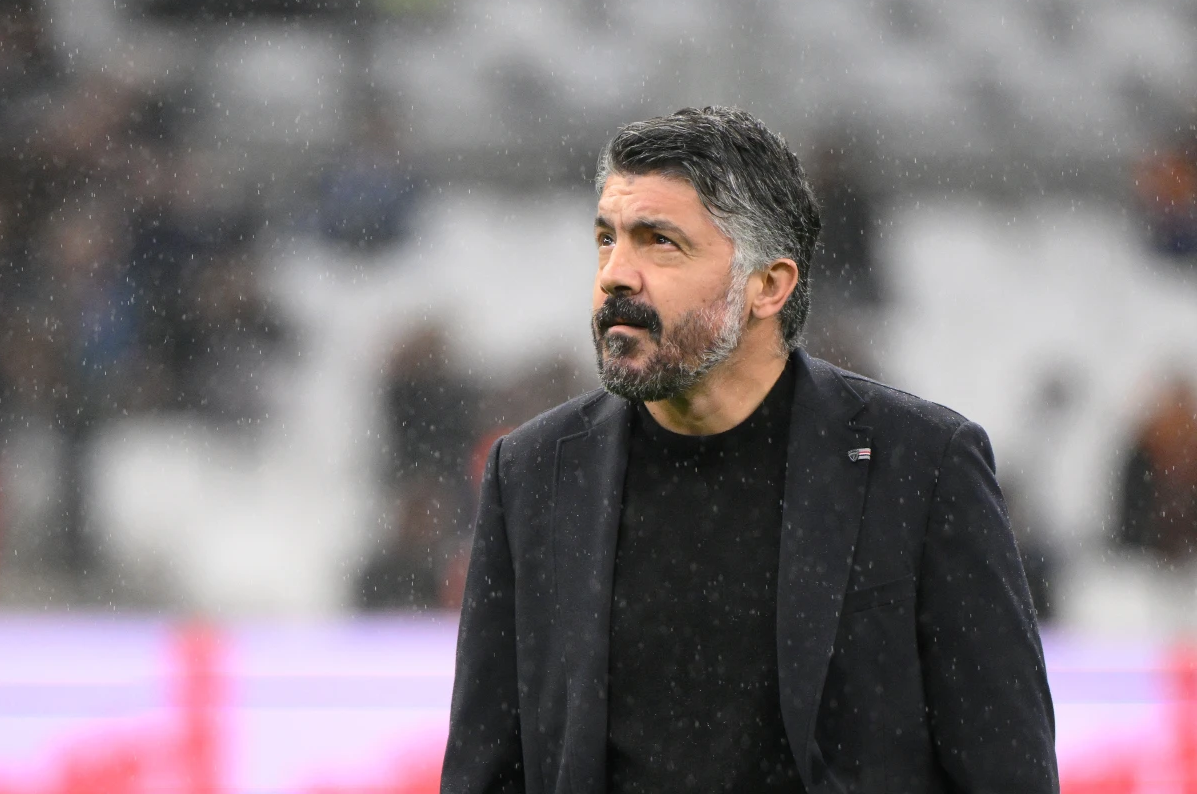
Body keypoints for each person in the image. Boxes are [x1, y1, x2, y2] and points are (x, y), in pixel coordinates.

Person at [441, 107, 1057, 793]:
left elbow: (1009, 770)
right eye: (606, 239)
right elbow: (486, 769)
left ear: (768, 285)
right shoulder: (534, 473)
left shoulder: (925, 464)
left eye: (659, 243)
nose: (616, 273)